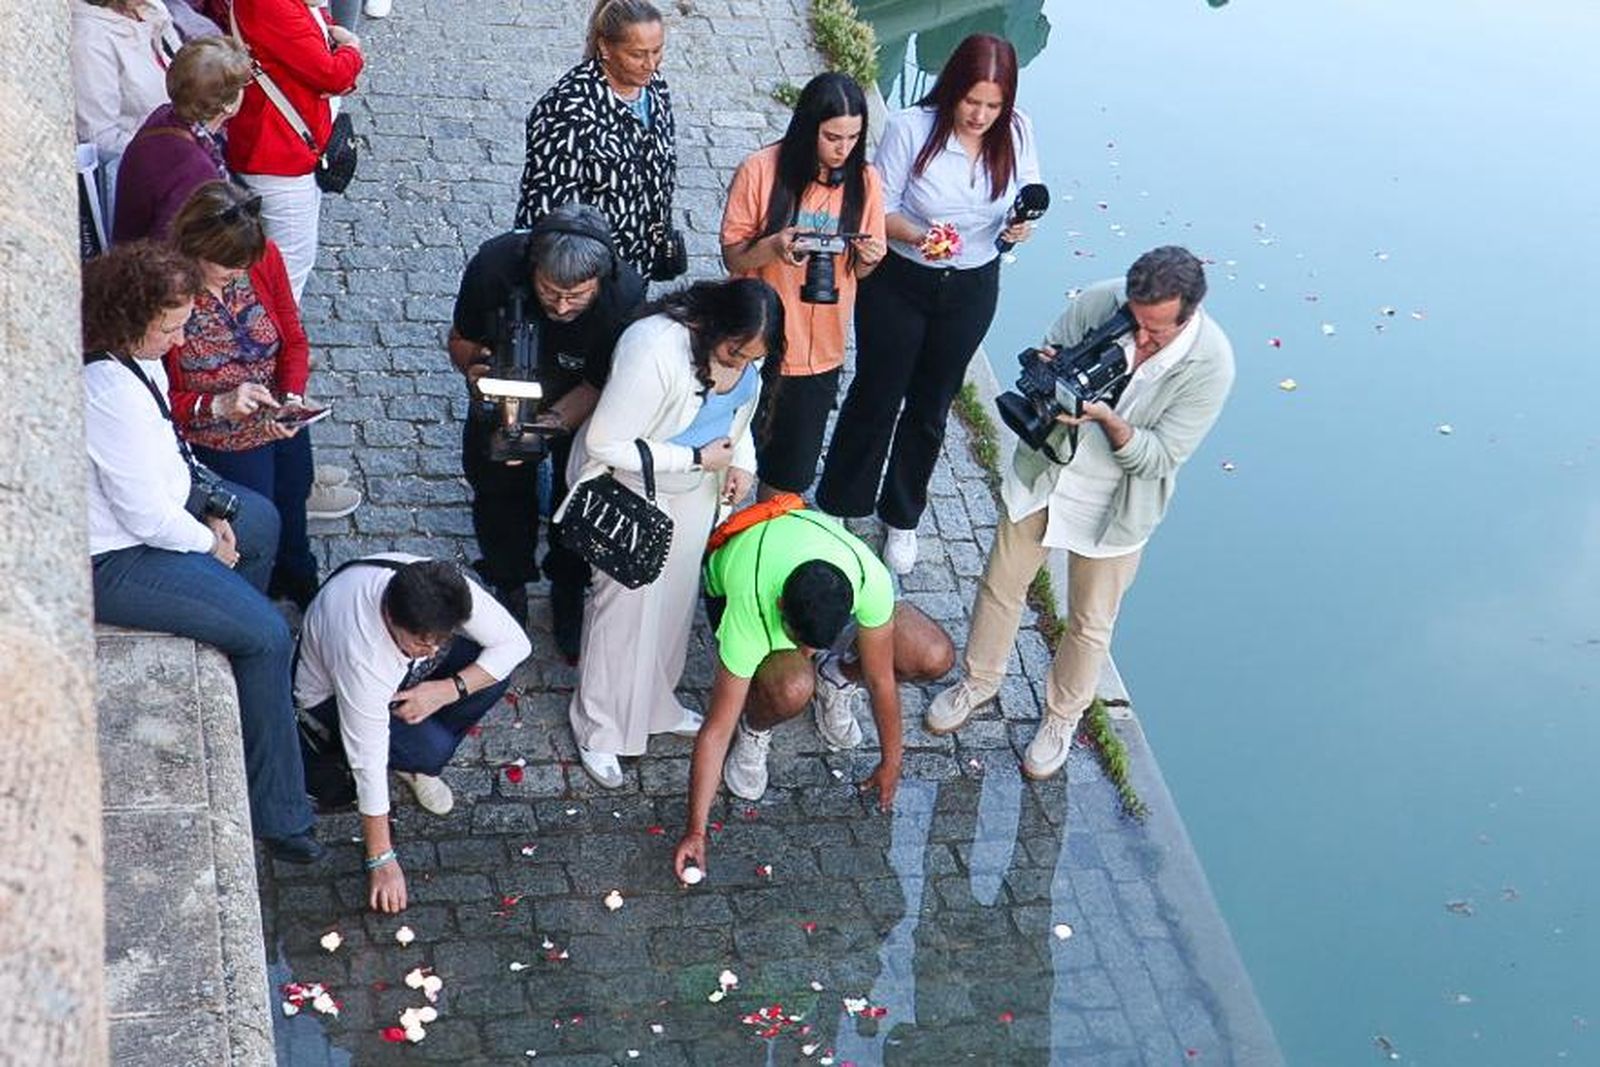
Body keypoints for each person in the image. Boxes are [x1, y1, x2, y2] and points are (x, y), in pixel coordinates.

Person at [925, 246, 1235, 779]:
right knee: (1001, 584)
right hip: (1048, 472)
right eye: (1134, 322)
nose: (1139, 337)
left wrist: (1109, 422)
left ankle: (1061, 717)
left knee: (1090, 623)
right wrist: (1048, 366)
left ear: (1188, 315)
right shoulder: (1102, 300)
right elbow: (1049, 351)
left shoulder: (1211, 365)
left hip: (1117, 504)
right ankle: (978, 680)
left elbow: (1160, 458)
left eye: (1155, 332)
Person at [82, 242, 321, 863]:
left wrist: (216, 506)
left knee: (262, 520)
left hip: (167, 509)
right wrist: (210, 543)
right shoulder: (107, 394)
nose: (182, 336)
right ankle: (281, 811)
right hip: (117, 558)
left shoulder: (142, 362)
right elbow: (146, 516)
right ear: (132, 320)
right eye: (172, 325)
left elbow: (170, 459)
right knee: (266, 633)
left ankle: (239, 643)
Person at [816, 33, 1041, 575]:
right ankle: (842, 505)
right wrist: (920, 236)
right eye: (972, 102)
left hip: (970, 284)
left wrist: (1019, 226)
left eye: (993, 105)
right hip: (901, 277)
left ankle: (902, 514)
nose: (981, 115)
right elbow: (878, 209)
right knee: (877, 392)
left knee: (931, 405)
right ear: (953, 89)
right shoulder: (912, 129)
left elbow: (1027, 191)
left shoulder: (1018, 131)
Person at [558, 278, 785, 788]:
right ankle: (599, 728)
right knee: (621, 613)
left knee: (675, 602)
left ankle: (656, 705)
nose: (744, 364)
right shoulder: (654, 347)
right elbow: (605, 441)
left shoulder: (747, 355)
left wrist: (741, 463)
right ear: (713, 328)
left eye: (754, 357)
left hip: (696, 485)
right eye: (736, 353)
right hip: (631, 486)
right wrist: (695, 458)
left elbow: (740, 416)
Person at [671, 505, 956, 879]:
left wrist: (892, 762)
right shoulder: (750, 607)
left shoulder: (867, 578)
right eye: (799, 641)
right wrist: (696, 830)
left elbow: (881, 680)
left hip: (803, 586)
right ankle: (757, 726)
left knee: (933, 656)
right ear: (779, 610)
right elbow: (716, 729)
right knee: (792, 685)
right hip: (732, 582)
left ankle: (835, 675)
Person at [449, 204, 646, 652]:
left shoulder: (626, 296)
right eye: (550, 291)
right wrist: (476, 372)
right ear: (532, 266)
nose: (561, 305)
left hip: (580, 396)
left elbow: (601, 383)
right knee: (496, 487)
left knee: (578, 492)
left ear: (602, 280)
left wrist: (547, 428)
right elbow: (459, 338)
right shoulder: (493, 266)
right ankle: (507, 579)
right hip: (504, 387)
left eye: (576, 296)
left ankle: (568, 586)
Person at [295, 556, 531, 913]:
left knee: (492, 676)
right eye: (424, 643)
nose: (436, 649)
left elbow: (516, 644)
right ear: (392, 618)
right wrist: (381, 859)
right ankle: (414, 760)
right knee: (430, 751)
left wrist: (448, 689)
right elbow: (368, 761)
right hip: (329, 697)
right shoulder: (364, 656)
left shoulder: (444, 587)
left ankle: (416, 739)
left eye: (444, 638)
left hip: (407, 677)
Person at [162, 181, 342, 609]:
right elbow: (160, 399)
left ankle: (299, 576)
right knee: (255, 527)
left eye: (244, 264)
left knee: (294, 500)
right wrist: (218, 403)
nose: (239, 273)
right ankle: (254, 605)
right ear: (196, 250)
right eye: (227, 266)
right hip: (219, 440)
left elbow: (294, 339)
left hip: (279, 417)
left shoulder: (262, 260)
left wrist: (293, 396)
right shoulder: (167, 296)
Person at [720, 72, 887, 500]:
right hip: (757, 347)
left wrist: (869, 261)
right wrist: (773, 246)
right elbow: (733, 258)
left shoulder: (865, 181)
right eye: (832, 136)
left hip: (819, 358)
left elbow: (861, 273)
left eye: (853, 137)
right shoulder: (759, 171)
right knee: (725, 466)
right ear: (807, 127)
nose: (843, 149)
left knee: (788, 482)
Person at [514, 0, 677, 280]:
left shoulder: (655, 88)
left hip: (637, 265)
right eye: (637, 54)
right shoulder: (566, 110)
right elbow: (546, 211)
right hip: (588, 274)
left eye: (657, 50)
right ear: (605, 47)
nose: (650, 64)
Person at [226, 0, 364, 301]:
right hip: (280, 155)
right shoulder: (271, 6)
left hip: (283, 143)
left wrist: (332, 47)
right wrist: (351, 49)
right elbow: (333, 74)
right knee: (288, 268)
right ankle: (278, 341)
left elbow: (315, 20)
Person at [113, 35, 252, 243]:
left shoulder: (164, 115)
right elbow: (174, 248)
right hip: (150, 268)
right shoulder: (196, 168)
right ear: (227, 105)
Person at [70, 0, 184, 162]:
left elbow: (182, 62)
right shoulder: (90, 43)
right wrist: (172, 153)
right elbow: (100, 139)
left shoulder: (148, 6)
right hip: (155, 162)